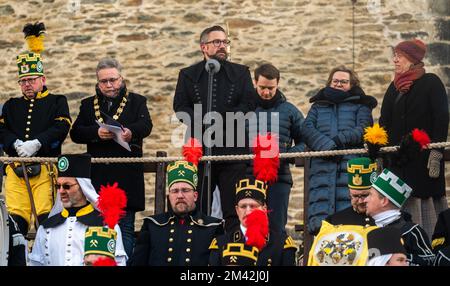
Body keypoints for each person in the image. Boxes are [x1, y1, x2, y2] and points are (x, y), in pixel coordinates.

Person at [173, 25, 256, 231]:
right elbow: (180, 106)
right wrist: (203, 121)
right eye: (217, 42)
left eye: (225, 42)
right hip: (200, 149)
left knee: (232, 206)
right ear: (204, 47)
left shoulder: (241, 72)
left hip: (233, 147)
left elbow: (248, 104)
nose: (222, 46)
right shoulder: (188, 74)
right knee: (199, 206)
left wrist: (223, 121)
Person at [70, 58, 152, 258]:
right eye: (104, 81)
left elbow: (146, 126)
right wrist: (95, 133)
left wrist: (130, 133)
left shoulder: (137, 101)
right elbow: (76, 133)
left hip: (126, 178)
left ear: (121, 79)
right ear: (98, 83)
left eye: (113, 80)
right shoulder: (88, 105)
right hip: (98, 179)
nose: (109, 85)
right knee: (96, 228)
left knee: (124, 229)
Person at [0, 22, 71, 235]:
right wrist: (15, 143)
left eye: (31, 80)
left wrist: (37, 143)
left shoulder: (57, 101)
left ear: (43, 79)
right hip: (15, 169)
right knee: (15, 219)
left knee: (45, 217)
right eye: (23, 81)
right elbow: (1, 129)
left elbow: (62, 126)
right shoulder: (11, 105)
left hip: (45, 169)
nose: (27, 85)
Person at [379, 39, 449, 238]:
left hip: (423, 161)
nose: (395, 60)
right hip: (397, 163)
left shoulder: (431, 83)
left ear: (412, 59)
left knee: (423, 206)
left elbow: (441, 118)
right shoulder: (393, 88)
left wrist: (436, 153)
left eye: (399, 56)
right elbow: (384, 122)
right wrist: (380, 153)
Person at [302, 66, 377, 235]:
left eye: (344, 82)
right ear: (329, 82)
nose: (338, 84)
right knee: (321, 225)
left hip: (349, 168)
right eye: (335, 81)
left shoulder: (361, 105)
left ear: (352, 84)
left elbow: (363, 128)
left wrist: (339, 141)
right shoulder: (318, 106)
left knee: (351, 224)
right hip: (322, 167)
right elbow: (307, 128)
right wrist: (327, 146)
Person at [29, 154, 127, 266]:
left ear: (83, 186)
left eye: (67, 186)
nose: (61, 191)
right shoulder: (46, 227)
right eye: (58, 186)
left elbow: (119, 263)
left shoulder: (106, 225)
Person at [129, 159, 224, 266]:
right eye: (174, 191)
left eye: (185, 190)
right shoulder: (152, 225)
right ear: (169, 196)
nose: (180, 195)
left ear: (195, 196)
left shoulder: (213, 227)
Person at [246, 63, 305, 234]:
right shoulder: (243, 110)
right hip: (249, 176)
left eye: (271, 88)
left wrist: (284, 156)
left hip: (279, 178)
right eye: (262, 87)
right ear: (255, 82)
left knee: (276, 227)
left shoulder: (290, 111)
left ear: (278, 84)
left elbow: (305, 141)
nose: (266, 92)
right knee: (249, 228)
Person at [209, 177, 297, 266]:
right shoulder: (220, 244)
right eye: (243, 206)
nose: (248, 212)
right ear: (237, 210)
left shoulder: (282, 244)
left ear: (264, 209)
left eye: (253, 206)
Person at [364, 168, 435, 266]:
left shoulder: (411, 231)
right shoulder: (365, 227)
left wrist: (399, 258)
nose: (365, 200)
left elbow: (430, 261)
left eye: (370, 195)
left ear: (384, 201)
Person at [325, 157, 376, 227]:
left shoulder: (386, 217)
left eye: (365, 195)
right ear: (349, 194)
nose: (360, 201)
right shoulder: (335, 221)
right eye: (355, 196)